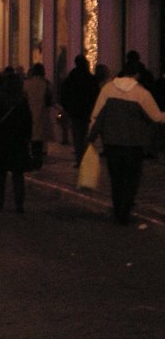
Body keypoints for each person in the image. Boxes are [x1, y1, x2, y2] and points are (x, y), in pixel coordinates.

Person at [89, 56, 165, 225]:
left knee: (116, 178)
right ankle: (125, 211)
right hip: (133, 143)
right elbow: (156, 116)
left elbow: (96, 114)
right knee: (131, 178)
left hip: (112, 142)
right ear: (137, 75)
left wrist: (93, 136)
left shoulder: (108, 89)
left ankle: (117, 210)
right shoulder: (141, 93)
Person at [0, 71, 32, 213]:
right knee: (18, 175)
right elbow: (28, 121)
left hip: (2, 140)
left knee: (0, 174)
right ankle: (19, 204)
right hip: (18, 141)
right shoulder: (22, 101)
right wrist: (27, 137)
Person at [59, 54, 100, 166]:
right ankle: (85, 158)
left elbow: (64, 94)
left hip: (75, 111)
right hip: (87, 110)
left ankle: (79, 159)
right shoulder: (90, 78)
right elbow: (95, 93)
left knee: (77, 136)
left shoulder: (71, 78)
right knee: (85, 134)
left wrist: (67, 108)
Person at [23, 62, 52, 170]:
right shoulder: (46, 84)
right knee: (38, 141)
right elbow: (49, 99)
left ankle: (30, 160)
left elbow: (23, 97)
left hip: (28, 113)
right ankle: (37, 161)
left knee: (29, 138)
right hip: (41, 113)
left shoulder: (26, 83)